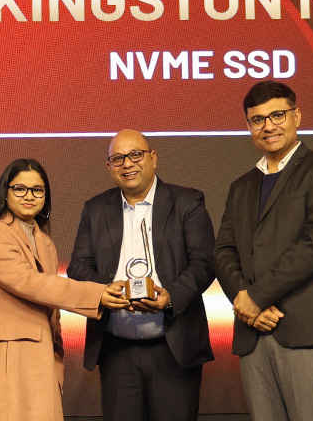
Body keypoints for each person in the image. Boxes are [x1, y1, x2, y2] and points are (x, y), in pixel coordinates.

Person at [0, 158, 127, 421]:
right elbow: (28, 282)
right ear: (5, 192)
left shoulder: (44, 242)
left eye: (37, 190)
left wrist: (56, 360)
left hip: (34, 358)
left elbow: (49, 305)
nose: (29, 196)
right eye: (20, 189)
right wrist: (95, 294)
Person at [214, 82, 313, 421]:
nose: (268, 126)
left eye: (277, 115)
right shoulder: (241, 186)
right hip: (253, 330)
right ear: (249, 126)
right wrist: (246, 304)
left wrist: (256, 297)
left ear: (297, 116)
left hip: (304, 329)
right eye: (258, 119)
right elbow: (224, 251)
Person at [69, 129, 216, 421]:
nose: (127, 164)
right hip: (117, 349)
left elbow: (204, 262)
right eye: (118, 158)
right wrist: (105, 291)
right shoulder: (95, 209)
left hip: (173, 346)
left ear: (153, 158)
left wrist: (170, 297)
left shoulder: (187, 202)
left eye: (135, 155)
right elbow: (78, 266)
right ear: (109, 166)